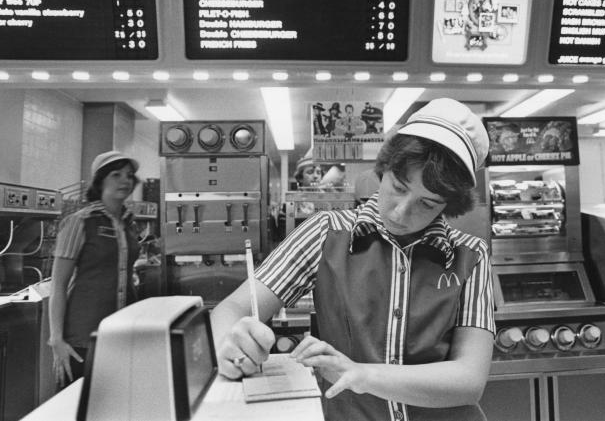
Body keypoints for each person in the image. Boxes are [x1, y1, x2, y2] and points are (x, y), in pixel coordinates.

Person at [211, 98, 495, 421]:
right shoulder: (326, 233)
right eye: (398, 187)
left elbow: (469, 381)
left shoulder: (470, 255)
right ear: (384, 169)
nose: (401, 212)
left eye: (427, 204)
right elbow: (232, 309)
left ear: (449, 204)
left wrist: (360, 374)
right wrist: (229, 344)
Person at [48, 151, 141, 389]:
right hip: (82, 339)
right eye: (116, 175)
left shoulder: (129, 223)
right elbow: (58, 284)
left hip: (121, 336)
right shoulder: (80, 222)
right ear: (100, 181)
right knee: (78, 406)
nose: (125, 180)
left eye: (130, 176)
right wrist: (56, 340)